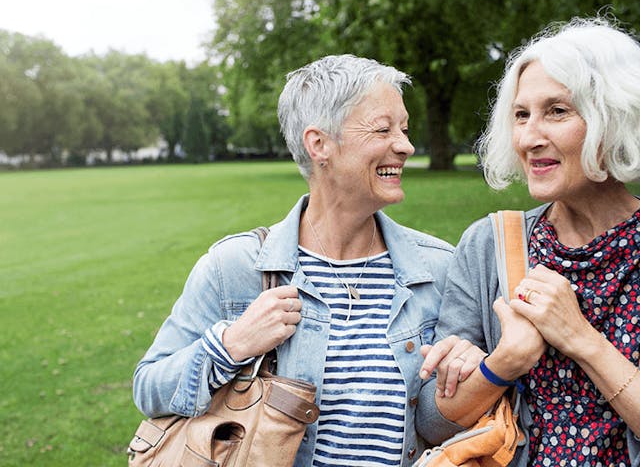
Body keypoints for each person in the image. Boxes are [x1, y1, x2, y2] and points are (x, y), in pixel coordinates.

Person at [133, 54, 481, 467]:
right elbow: (148, 387)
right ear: (319, 145)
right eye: (383, 129)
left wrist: (476, 371)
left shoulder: (438, 267)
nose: (405, 145)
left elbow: (439, 421)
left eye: (404, 129)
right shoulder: (235, 267)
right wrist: (230, 346)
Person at [417, 17, 640, 466]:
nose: (528, 137)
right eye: (521, 115)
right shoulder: (490, 245)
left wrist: (581, 339)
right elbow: (430, 422)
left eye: (557, 111)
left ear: (614, 116)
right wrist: (502, 362)